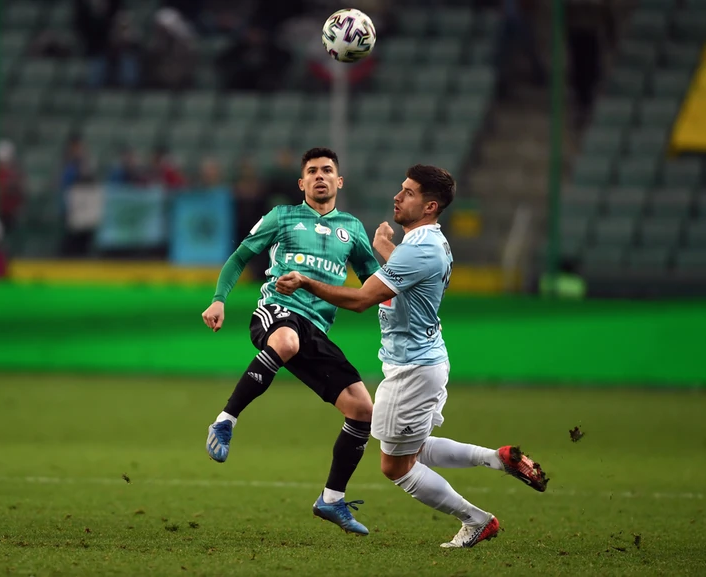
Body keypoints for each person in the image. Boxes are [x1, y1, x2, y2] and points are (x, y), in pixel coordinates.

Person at [276, 165, 549, 548]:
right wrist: (384, 248)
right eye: (401, 189)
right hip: (426, 362)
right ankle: (497, 458)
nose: (397, 196)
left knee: (396, 467)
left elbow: (361, 300)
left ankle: (477, 520)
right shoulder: (427, 243)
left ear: (429, 206)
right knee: (414, 447)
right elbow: (405, 269)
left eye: (408, 192)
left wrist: (306, 282)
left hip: (411, 370)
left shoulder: (420, 248)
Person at [201, 148, 380, 535]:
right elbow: (239, 257)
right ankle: (225, 421)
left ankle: (331, 499)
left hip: (316, 330)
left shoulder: (352, 229)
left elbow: (375, 284)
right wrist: (218, 299)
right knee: (286, 341)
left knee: (363, 409)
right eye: (312, 171)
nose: (320, 176)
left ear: (339, 181)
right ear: (302, 183)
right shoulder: (281, 217)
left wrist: (390, 262)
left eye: (327, 170)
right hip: (277, 311)